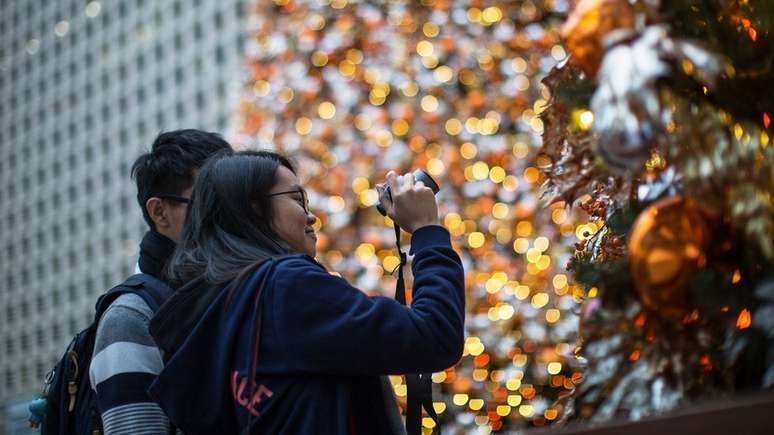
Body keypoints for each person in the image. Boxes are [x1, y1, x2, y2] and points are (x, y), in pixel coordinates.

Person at [147, 151, 465, 434]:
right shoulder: (285, 286)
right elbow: (434, 336)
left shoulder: (217, 302)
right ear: (253, 209)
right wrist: (427, 231)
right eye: (298, 199)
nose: (312, 216)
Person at [88, 130, 231, 434]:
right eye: (211, 201)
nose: (229, 216)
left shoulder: (231, 295)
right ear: (160, 212)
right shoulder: (131, 317)